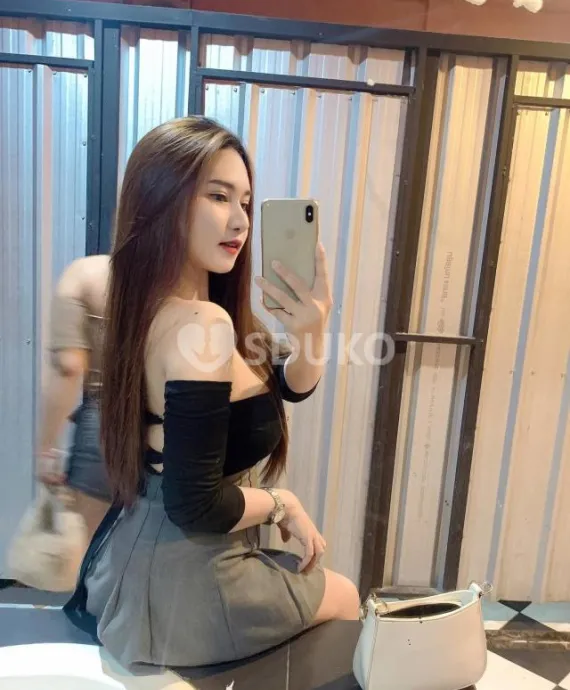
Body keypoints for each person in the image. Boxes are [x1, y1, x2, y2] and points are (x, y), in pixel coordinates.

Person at [64, 116, 360, 668]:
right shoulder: (203, 324)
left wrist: (314, 327)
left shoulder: (163, 307)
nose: (241, 220)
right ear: (163, 200)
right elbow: (196, 503)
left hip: (142, 557)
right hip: (189, 577)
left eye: (245, 202)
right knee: (344, 598)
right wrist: (283, 503)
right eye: (218, 196)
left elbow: (289, 387)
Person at [37, 254, 112, 542]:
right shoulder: (183, 282)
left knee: (85, 554)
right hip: (169, 425)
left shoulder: (84, 274)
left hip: (105, 428)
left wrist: (46, 448)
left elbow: (68, 367)